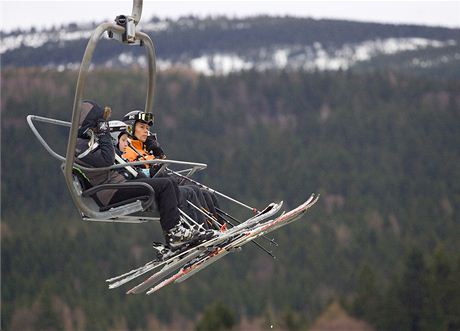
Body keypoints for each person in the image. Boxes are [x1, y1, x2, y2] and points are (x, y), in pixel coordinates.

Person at [75, 100, 206, 248]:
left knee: (169, 184)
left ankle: (182, 232)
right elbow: (107, 159)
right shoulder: (80, 146)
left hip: (118, 185)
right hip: (110, 190)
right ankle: (174, 233)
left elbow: (116, 158)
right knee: (165, 185)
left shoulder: (90, 141)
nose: (101, 127)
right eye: (99, 123)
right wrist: (104, 134)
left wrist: (144, 175)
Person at [121, 110, 223, 229]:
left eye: (147, 128)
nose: (146, 131)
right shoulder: (126, 150)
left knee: (204, 192)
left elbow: (160, 165)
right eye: (142, 127)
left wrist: (158, 152)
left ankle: (219, 227)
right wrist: (150, 170)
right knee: (189, 192)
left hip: (163, 182)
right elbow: (131, 172)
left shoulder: (144, 149)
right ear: (130, 128)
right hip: (152, 188)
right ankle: (200, 230)